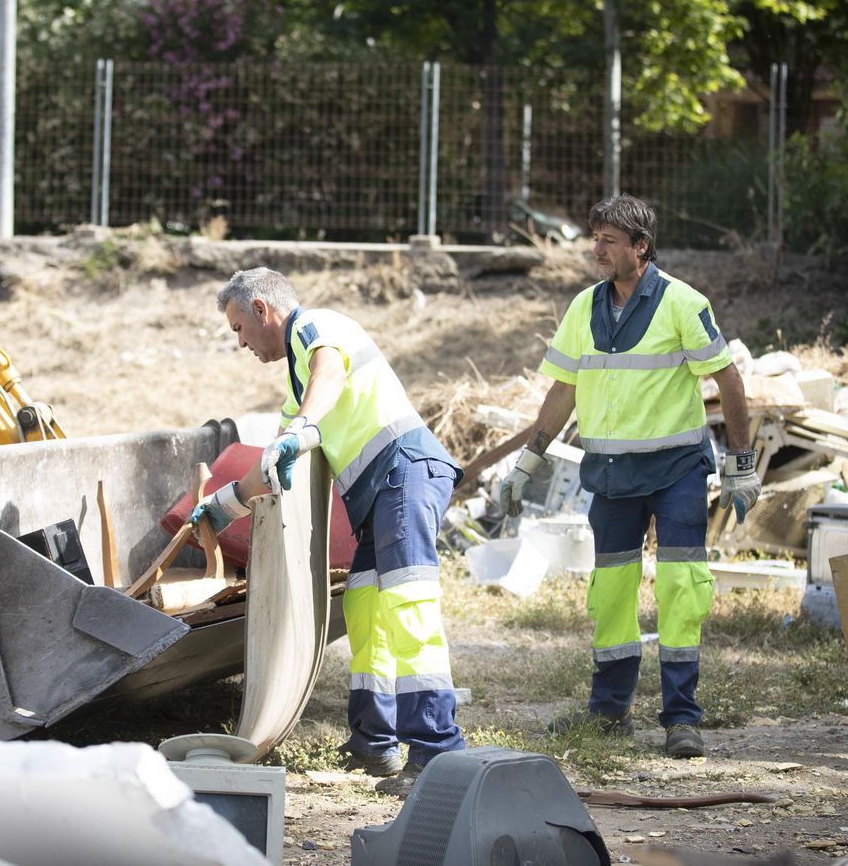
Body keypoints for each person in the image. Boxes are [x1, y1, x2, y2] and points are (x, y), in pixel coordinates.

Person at [496, 194, 757, 758]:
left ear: (641, 247)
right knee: (611, 595)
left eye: (610, 241)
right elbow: (562, 391)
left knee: (680, 590)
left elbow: (729, 382)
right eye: (596, 239)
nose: (598, 250)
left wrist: (740, 465)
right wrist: (526, 465)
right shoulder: (582, 308)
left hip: (676, 474)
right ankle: (610, 713)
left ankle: (682, 717)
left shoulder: (684, 304)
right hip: (611, 478)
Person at [191, 266, 467, 795]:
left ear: (261, 311)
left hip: (405, 473)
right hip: (381, 495)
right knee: (365, 609)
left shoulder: (316, 328)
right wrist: (223, 506)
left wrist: (300, 431)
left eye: (238, 329)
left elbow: (330, 373)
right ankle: (374, 742)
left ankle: (437, 752)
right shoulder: (298, 383)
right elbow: (269, 467)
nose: (240, 342)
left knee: (409, 610)